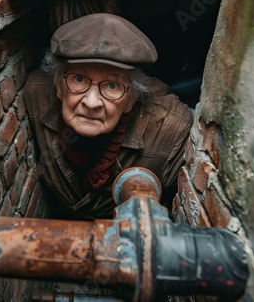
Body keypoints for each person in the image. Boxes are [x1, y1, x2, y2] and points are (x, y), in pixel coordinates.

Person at [23, 13, 193, 219]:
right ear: (58, 87)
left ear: (131, 99)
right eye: (79, 79)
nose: (91, 102)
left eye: (113, 85)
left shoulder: (170, 130)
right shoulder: (36, 96)